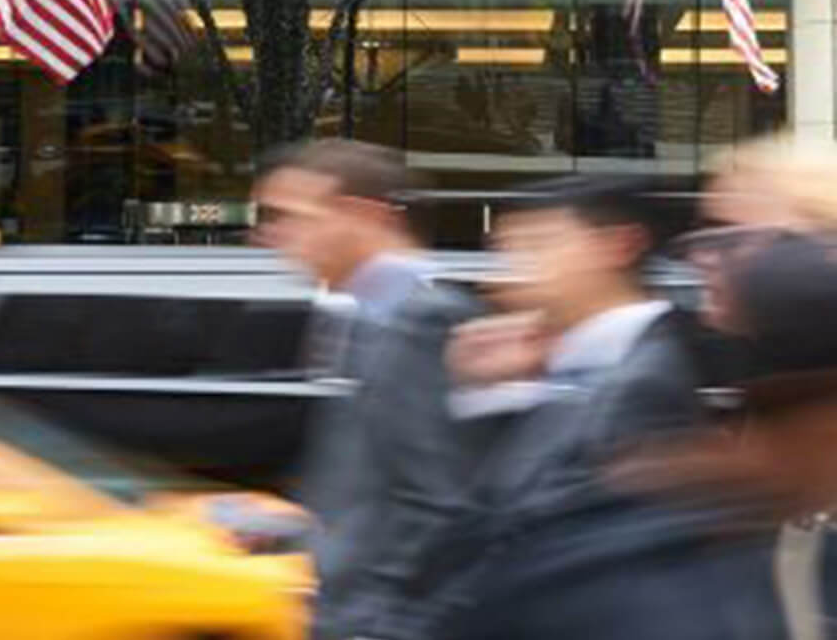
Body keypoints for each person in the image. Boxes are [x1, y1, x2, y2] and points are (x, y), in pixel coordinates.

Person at [446, 175, 781, 640]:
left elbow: (552, 537)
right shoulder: (568, 363)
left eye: (538, 242)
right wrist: (493, 396)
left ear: (618, 245)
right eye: (507, 246)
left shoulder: (651, 381)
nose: (517, 264)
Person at [251, 139, 480, 640]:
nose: (271, 236)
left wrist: (379, 622)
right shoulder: (367, 314)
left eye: (291, 216)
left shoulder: (423, 318)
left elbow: (437, 498)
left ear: (361, 214)